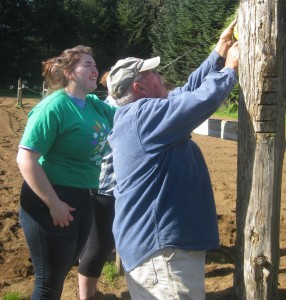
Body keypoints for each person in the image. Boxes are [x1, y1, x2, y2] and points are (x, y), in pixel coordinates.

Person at [106, 20, 239, 299]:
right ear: (139, 86)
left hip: (160, 250)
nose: (161, 75)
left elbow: (188, 90)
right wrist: (230, 69)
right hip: (161, 254)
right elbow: (198, 100)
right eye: (153, 73)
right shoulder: (143, 116)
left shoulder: (140, 115)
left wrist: (219, 52)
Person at [16, 45, 117, 300]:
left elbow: (129, 116)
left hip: (83, 199)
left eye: (95, 64)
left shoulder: (92, 104)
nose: (95, 69)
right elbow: (26, 158)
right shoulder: (54, 107)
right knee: (48, 282)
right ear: (70, 73)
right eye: (87, 65)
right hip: (52, 200)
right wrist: (54, 204)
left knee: (60, 274)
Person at [77, 72, 118, 300]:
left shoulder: (103, 106)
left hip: (98, 181)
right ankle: (87, 296)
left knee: (96, 242)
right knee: (100, 243)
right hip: (108, 185)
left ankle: (88, 294)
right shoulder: (114, 110)